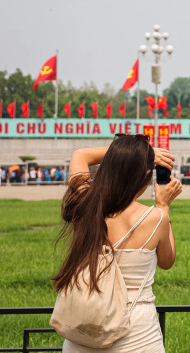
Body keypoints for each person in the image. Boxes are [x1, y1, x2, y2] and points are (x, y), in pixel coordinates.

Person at [52, 133, 181, 352]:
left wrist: (127, 153)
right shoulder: (154, 217)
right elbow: (167, 261)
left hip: (84, 329)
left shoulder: (85, 206)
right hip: (137, 333)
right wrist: (164, 205)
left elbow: (80, 155)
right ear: (147, 174)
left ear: (109, 165)